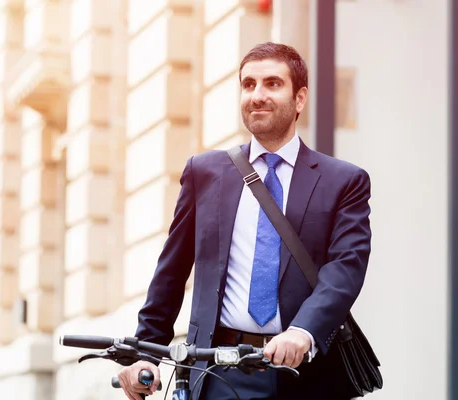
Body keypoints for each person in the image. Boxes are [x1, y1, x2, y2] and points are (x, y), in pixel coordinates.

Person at [117, 42, 372, 400]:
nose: (257, 95)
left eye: (272, 84)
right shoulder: (204, 173)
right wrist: (146, 354)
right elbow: (171, 271)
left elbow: (345, 270)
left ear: (299, 99)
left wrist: (303, 331)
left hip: (307, 376)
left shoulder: (343, 180)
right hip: (223, 372)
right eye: (248, 84)